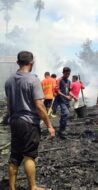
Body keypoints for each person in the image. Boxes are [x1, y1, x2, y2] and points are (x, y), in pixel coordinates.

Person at [5, 51, 55, 190]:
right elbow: (39, 105)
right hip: (28, 123)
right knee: (29, 155)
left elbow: (9, 105)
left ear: (17, 62)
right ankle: (33, 187)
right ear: (32, 62)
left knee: (14, 156)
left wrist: (11, 120)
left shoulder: (9, 81)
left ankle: (12, 187)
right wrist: (49, 125)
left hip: (14, 120)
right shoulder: (33, 80)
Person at [55, 67, 71, 139]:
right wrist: (65, 96)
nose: (68, 75)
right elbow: (57, 91)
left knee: (64, 115)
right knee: (66, 113)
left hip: (66, 101)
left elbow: (69, 91)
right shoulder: (59, 80)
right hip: (61, 100)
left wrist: (70, 96)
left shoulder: (69, 81)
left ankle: (61, 130)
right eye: (66, 73)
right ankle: (62, 130)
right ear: (63, 72)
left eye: (69, 73)